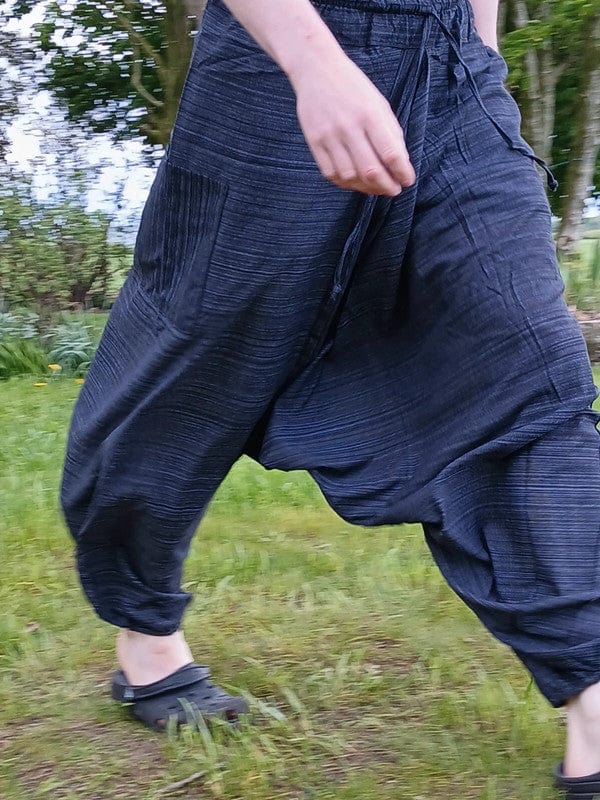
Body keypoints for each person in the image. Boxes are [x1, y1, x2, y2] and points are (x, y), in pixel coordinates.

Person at [60, 0, 600, 794]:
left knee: (527, 357)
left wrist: (483, 55)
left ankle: (592, 689)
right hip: (275, 65)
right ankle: (143, 626)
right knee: (197, 358)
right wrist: (314, 64)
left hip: (454, 73)